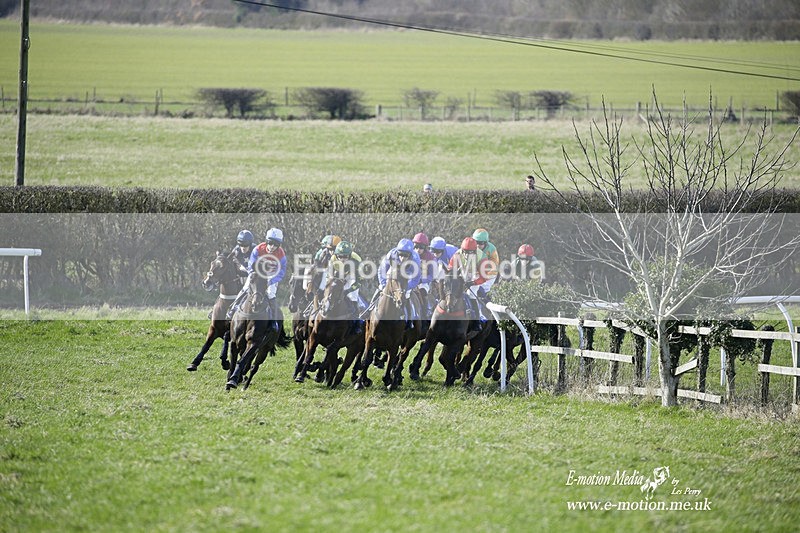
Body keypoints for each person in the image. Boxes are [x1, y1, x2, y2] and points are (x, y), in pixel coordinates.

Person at [227, 227, 287, 331]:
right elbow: (251, 264)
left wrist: (271, 280)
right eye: (270, 243)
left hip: (271, 276)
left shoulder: (281, 254)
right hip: (257, 274)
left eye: (275, 245)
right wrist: (252, 274)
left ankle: (273, 320)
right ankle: (233, 309)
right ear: (267, 241)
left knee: (271, 293)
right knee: (245, 288)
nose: (272, 247)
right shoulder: (258, 249)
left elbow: (281, 271)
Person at [377, 238, 421, 329]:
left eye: (405, 255)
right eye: (400, 254)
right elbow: (381, 271)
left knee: (407, 295)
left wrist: (405, 288)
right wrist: (384, 284)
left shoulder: (415, 259)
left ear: (410, 254)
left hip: (407, 277)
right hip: (393, 276)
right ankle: (369, 311)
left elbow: (416, 279)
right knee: (378, 290)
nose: (402, 257)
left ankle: (410, 319)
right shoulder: (391, 255)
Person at [449, 237, 490, 331]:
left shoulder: (482, 257)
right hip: (462, 273)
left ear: (475, 251)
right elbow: (450, 268)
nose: (467, 255)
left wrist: (472, 283)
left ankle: (477, 321)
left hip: (476, 276)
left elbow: (484, 277)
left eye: (470, 252)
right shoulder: (457, 254)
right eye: (465, 252)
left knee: (471, 294)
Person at [329, 241, 366, 334]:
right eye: (340, 256)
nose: (342, 259)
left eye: (345, 256)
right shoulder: (333, 259)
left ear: (349, 256)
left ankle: (357, 322)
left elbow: (359, 281)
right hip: (338, 275)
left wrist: (348, 290)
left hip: (352, 275)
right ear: (336, 255)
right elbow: (329, 277)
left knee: (352, 296)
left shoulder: (357, 261)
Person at [412, 232, 436, 318]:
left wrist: (422, 280)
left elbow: (432, 275)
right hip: (410, 280)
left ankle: (424, 316)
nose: (418, 249)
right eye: (416, 246)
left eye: (421, 247)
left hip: (423, 282)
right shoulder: (409, 254)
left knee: (423, 293)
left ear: (425, 248)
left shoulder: (430, 257)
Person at [471, 228, 499, 296]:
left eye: (480, 243)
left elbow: (494, 266)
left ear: (486, 242)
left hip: (489, 273)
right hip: (476, 272)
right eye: (476, 242)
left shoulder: (492, 249)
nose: (478, 245)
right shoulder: (470, 247)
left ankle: (487, 300)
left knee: (482, 289)